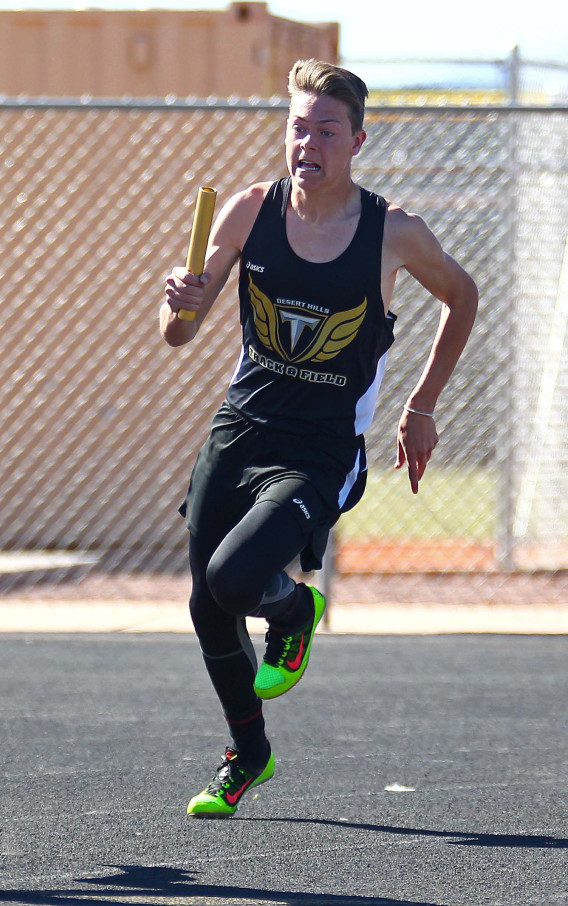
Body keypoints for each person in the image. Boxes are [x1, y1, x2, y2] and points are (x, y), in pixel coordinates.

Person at [161, 59, 477, 818]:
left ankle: (293, 612)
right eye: (297, 127)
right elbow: (178, 333)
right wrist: (178, 300)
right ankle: (250, 752)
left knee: (235, 580)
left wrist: (421, 405)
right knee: (207, 607)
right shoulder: (247, 210)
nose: (308, 142)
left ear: (357, 141)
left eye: (325, 130)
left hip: (319, 451)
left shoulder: (392, 231)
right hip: (238, 432)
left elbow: (462, 297)